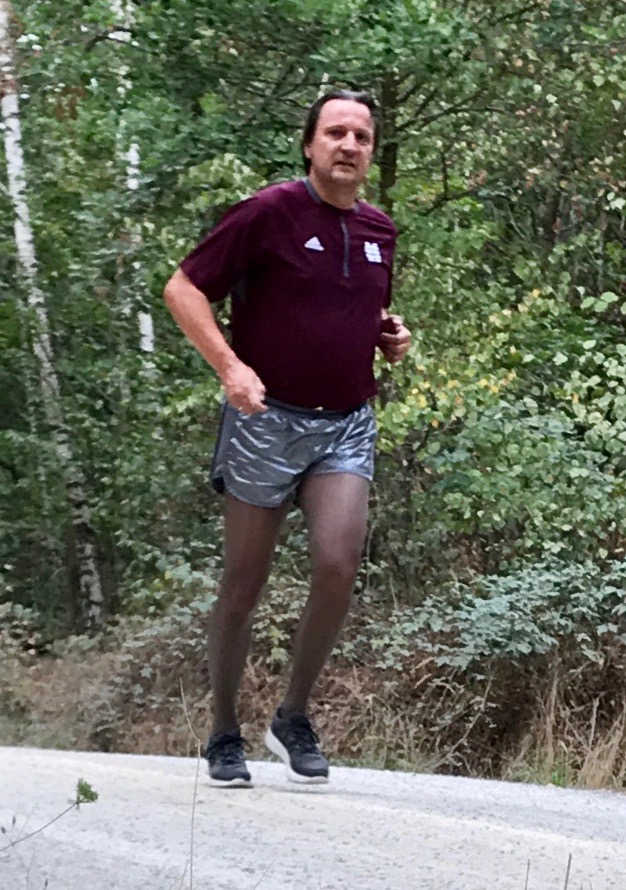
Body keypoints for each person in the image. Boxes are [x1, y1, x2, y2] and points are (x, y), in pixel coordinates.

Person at [164, 89, 411, 787]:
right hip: (265, 420)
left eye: (361, 135)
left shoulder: (379, 229)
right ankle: (223, 732)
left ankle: (292, 716)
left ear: (371, 150)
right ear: (309, 144)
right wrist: (230, 367)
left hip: (344, 423)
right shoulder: (267, 212)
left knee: (338, 564)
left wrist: (388, 335)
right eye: (335, 132)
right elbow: (183, 289)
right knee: (244, 581)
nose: (349, 144)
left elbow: (359, 305)